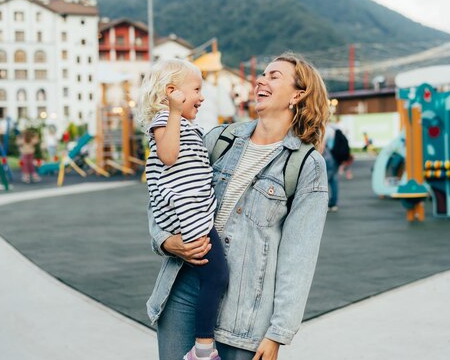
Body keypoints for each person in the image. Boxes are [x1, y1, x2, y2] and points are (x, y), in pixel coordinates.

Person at [147, 52, 329, 360]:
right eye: (262, 74)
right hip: (184, 288)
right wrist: (166, 240)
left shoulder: (306, 165)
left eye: (274, 76)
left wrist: (278, 333)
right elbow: (164, 188)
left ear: (298, 94)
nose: (261, 80)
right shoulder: (220, 139)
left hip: (245, 310)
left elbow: (299, 257)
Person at [140, 59, 229, 360]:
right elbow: (168, 156)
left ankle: (202, 346)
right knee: (217, 276)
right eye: (196, 90)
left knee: (213, 277)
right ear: (172, 92)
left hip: (194, 213)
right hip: (192, 219)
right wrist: (175, 113)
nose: (201, 97)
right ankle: (202, 350)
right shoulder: (165, 121)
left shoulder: (183, 125)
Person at [321, 123, 339, 212]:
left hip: (327, 158)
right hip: (335, 158)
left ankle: (326, 204)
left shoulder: (325, 130)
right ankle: (334, 203)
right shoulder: (333, 129)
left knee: (325, 182)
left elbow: (322, 146)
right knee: (334, 181)